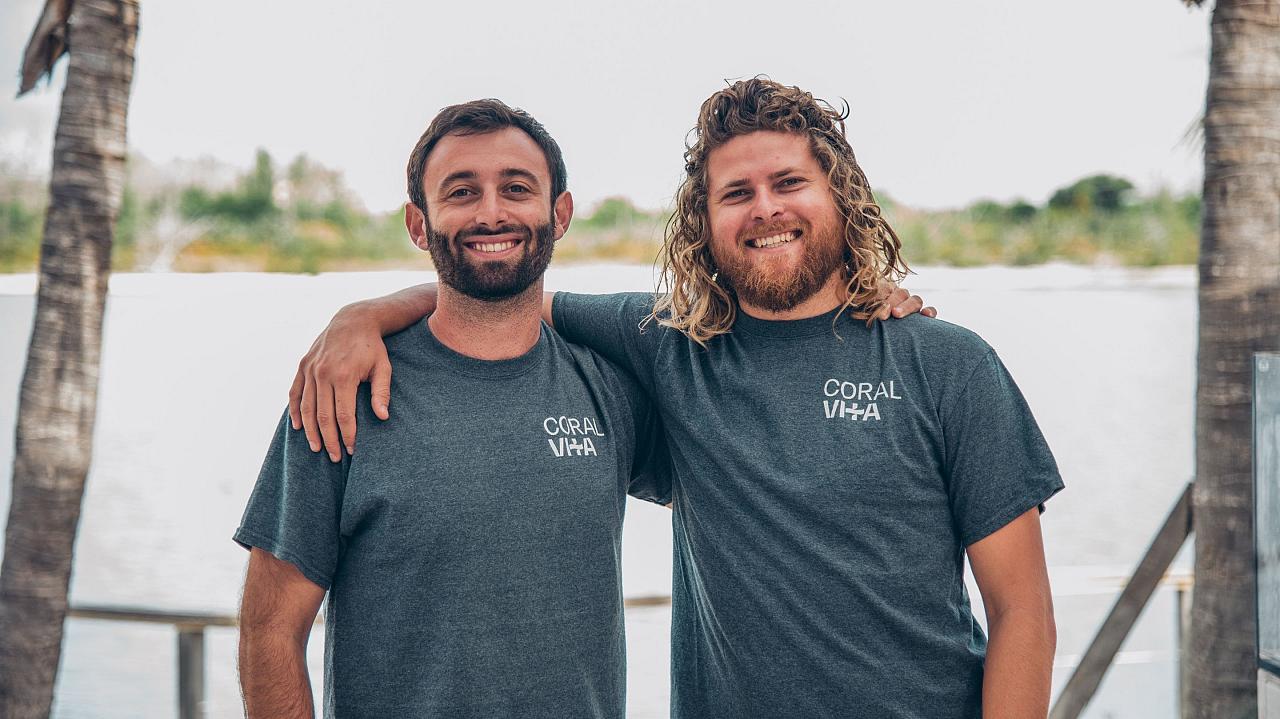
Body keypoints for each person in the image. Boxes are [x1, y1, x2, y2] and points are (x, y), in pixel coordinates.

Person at [295, 80, 1053, 719]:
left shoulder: (949, 363)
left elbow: (1022, 612)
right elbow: (502, 285)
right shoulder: (665, 343)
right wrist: (362, 315)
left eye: (789, 183)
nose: (765, 210)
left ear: (840, 196)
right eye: (736, 193)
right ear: (705, 220)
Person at [234, 99, 677, 719]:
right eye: (462, 191)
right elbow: (271, 631)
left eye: (516, 188)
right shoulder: (342, 392)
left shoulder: (609, 389)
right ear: (419, 223)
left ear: (561, 212)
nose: (491, 213)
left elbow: (734, 484)